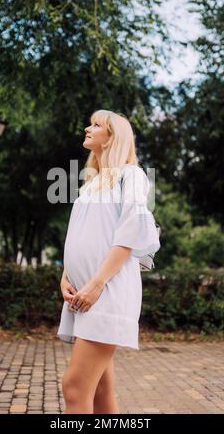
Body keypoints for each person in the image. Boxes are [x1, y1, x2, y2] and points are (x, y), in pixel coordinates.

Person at [56, 109, 160, 414]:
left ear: (112, 136)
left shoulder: (132, 175)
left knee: (74, 386)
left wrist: (96, 284)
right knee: (101, 391)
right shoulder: (91, 183)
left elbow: (129, 236)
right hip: (84, 293)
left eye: (96, 125)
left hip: (105, 293)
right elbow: (83, 235)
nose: (87, 128)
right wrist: (66, 276)